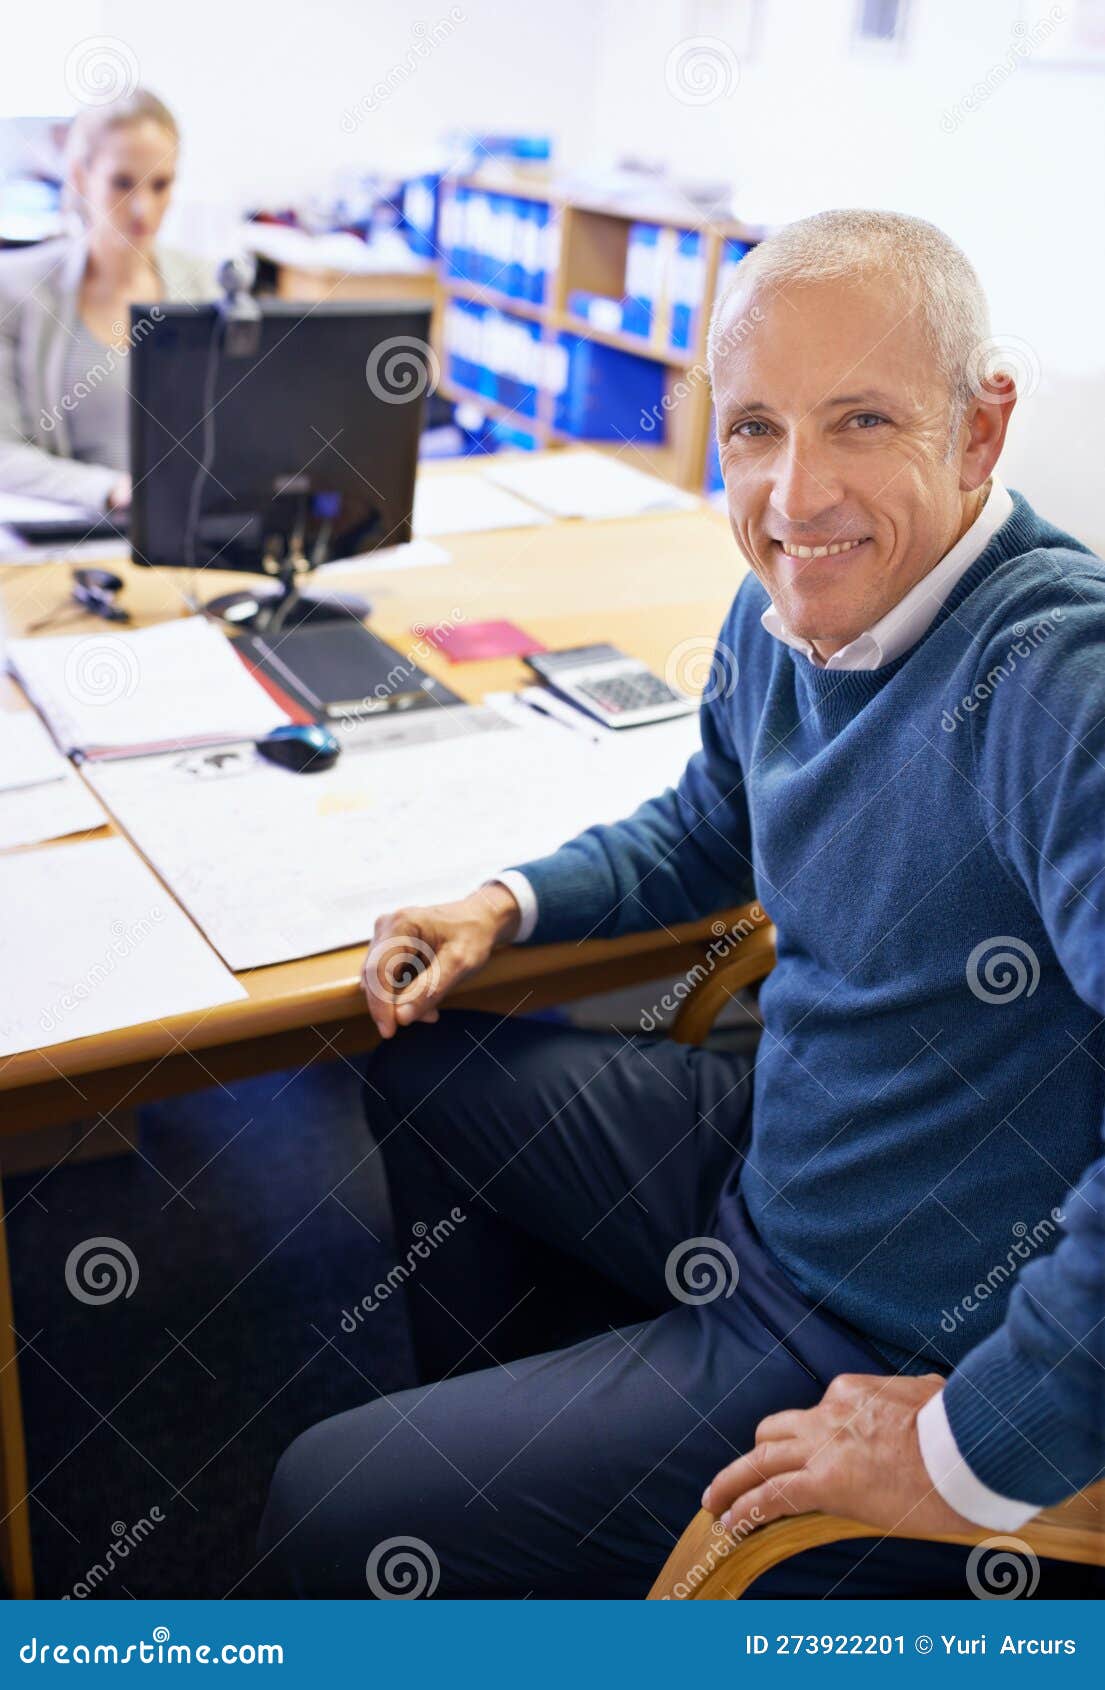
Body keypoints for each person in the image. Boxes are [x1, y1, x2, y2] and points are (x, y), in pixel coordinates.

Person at [258, 209, 1104, 1599]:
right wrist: (507, 903)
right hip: (777, 1142)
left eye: (861, 422)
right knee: (426, 1066)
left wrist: (969, 1443)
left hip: (875, 1318)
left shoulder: (1055, 681)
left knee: (331, 1501)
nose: (792, 495)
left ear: (979, 430)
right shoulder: (789, 606)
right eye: (754, 428)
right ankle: (543, 1537)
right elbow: (711, 822)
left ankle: (538, 1515)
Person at [0, 89, 211, 511]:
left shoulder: (205, 286)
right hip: (69, 538)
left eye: (160, 184)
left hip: (183, 538)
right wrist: (112, 490)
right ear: (80, 178)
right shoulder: (16, 289)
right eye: (122, 183)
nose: (142, 209)